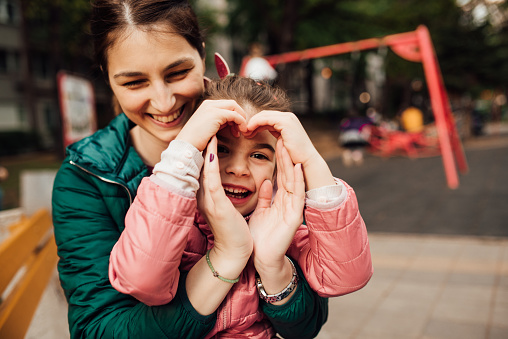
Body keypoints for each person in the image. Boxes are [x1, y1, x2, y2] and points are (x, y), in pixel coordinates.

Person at [51, 1, 338, 338]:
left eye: (177, 73)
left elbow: (307, 323)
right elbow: (96, 330)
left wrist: (274, 269)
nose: (163, 102)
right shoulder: (87, 177)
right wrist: (227, 257)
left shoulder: (255, 139)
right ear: (107, 78)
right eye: (134, 83)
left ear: (202, 54)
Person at [109, 76, 373, 337]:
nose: (238, 169)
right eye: (221, 149)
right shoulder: (174, 226)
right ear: (196, 155)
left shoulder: (282, 227)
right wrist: (183, 149)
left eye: (259, 155)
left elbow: (347, 276)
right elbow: (140, 280)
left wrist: (310, 159)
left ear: (276, 169)